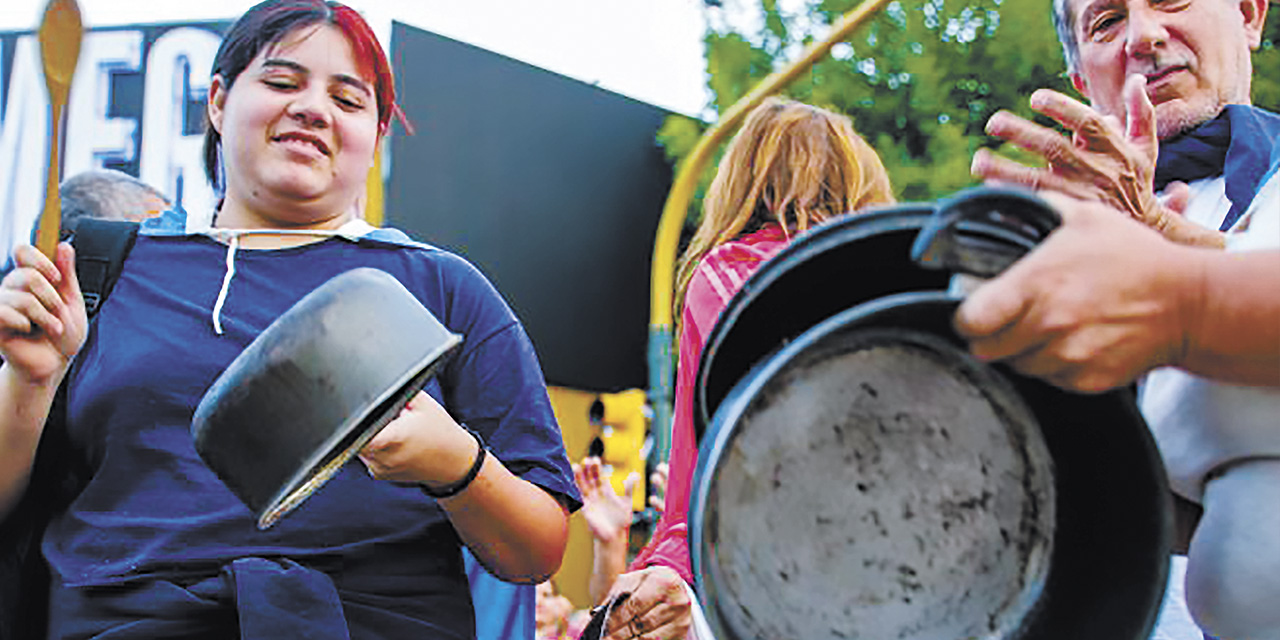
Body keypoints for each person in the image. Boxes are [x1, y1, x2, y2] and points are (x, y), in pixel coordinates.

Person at [0, 2, 579, 638]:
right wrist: (29, 380)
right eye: (281, 82)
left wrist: (455, 465)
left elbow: (537, 549)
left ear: (377, 135)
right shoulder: (95, 271)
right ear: (219, 102)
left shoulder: (443, 287)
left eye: (349, 99)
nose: (311, 108)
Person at [966, 0, 1278, 637]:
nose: (1144, 35)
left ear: (1249, 14)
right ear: (1080, 77)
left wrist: (1177, 290)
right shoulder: (1049, 260)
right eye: (1105, 21)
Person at [593, 97, 895, 640]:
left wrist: (666, 564)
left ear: (744, 179)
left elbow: (695, 468)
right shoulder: (891, 276)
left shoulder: (725, 275)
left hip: (771, 569)